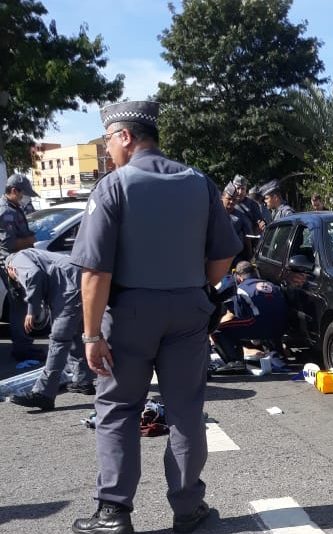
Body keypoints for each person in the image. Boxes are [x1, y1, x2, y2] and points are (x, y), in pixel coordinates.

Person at [69, 100, 241, 534]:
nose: (107, 150)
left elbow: (95, 272)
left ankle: (113, 513)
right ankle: (188, 510)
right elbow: (224, 255)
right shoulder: (199, 182)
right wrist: (194, 286)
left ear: (125, 135)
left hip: (130, 313)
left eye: (109, 140)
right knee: (185, 411)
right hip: (188, 310)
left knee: (117, 408)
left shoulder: (114, 187)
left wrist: (91, 337)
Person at [7, 249, 94, 411]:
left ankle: (44, 394)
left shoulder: (17, 260)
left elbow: (33, 275)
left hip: (69, 286)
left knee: (59, 340)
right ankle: (83, 380)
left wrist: (32, 310)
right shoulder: (35, 254)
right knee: (75, 334)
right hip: (80, 279)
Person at [210, 261, 288, 374]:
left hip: (260, 325)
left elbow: (239, 315)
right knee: (269, 317)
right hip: (282, 326)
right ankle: (277, 356)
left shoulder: (240, 289)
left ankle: (235, 362)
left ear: (238, 276)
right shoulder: (273, 286)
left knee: (218, 329)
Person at [0, 173, 45, 362]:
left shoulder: (14, 207)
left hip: (18, 261)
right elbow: (8, 244)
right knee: (19, 306)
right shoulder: (5, 211)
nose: (24, 197)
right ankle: (22, 349)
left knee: (22, 304)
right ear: (13, 191)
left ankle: (23, 345)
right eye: (22, 194)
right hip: (11, 263)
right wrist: (30, 239)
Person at [222, 183, 253, 265]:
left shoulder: (241, 217)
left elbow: (247, 238)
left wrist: (250, 256)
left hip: (234, 259)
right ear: (222, 198)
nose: (231, 202)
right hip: (216, 257)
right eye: (229, 199)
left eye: (234, 199)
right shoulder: (214, 214)